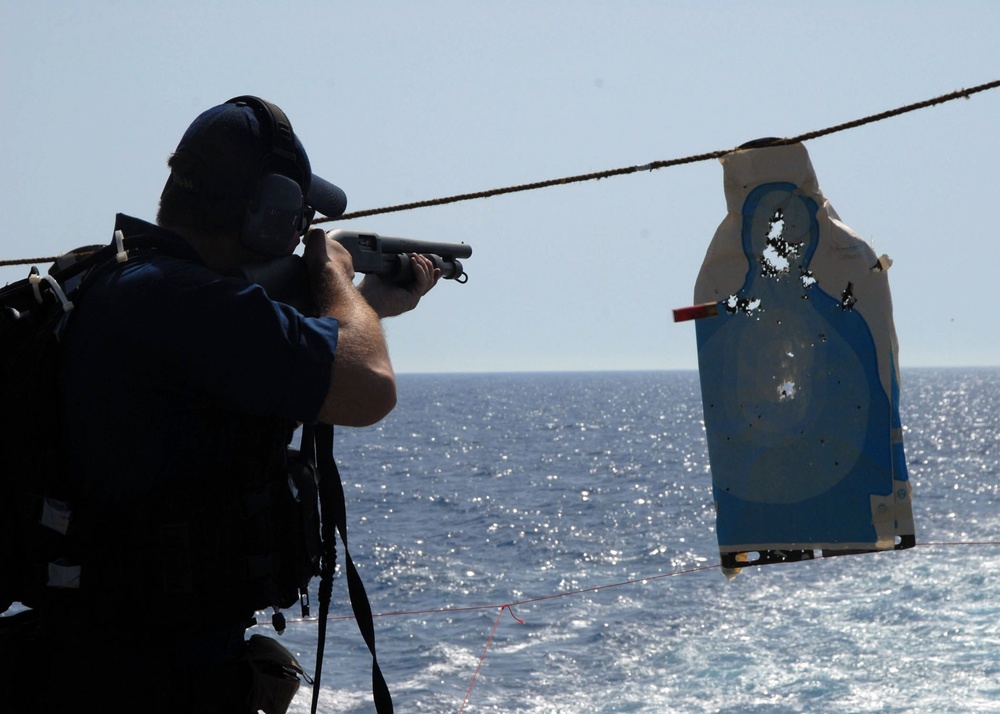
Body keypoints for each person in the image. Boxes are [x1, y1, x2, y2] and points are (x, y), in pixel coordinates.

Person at [20, 96, 439, 713]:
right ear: (270, 214)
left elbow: (264, 363)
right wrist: (334, 273)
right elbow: (370, 384)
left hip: (102, 655)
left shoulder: (128, 282)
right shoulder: (192, 306)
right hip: (151, 677)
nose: (301, 234)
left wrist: (364, 304)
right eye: (297, 218)